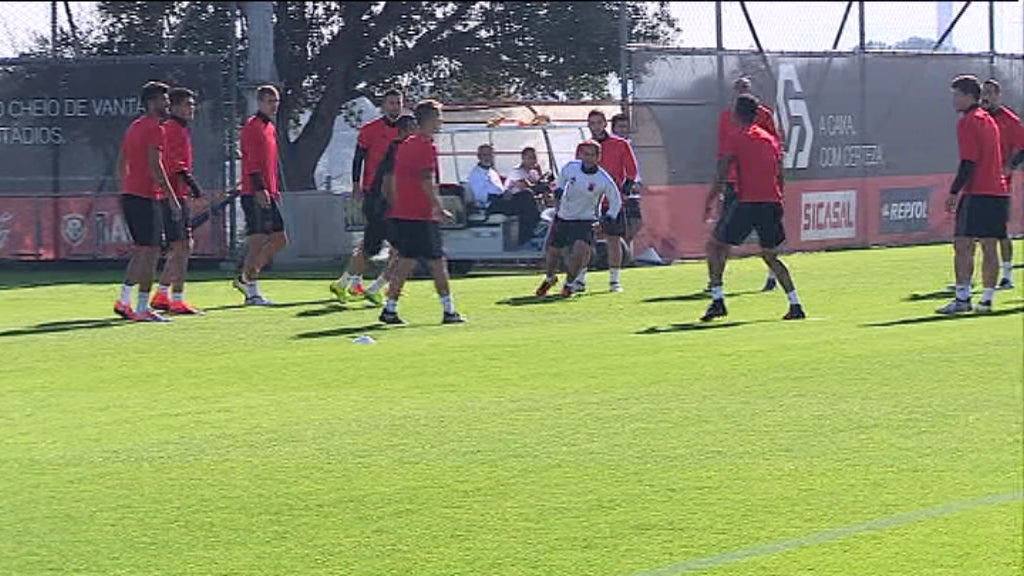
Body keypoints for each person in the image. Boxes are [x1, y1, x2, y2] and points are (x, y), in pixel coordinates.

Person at [701, 94, 805, 322]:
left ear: (736, 114)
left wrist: (710, 201)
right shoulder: (770, 139)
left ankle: (717, 299)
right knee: (770, 255)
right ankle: (795, 303)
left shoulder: (735, 137)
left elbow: (722, 172)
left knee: (715, 245)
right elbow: (780, 174)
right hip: (771, 202)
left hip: (748, 202)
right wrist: (779, 198)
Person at [379, 99, 466, 325]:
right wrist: (439, 208)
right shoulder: (427, 146)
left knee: (405, 262)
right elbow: (427, 180)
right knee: (437, 263)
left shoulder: (406, 144)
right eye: (439, 117)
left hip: (404, 213)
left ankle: (390, 309)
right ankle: (449, 311)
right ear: (429, 120)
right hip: (421, 215)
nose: (441, 122)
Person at [937, 75, 1009, 315]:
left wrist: (954, 191)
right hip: (998, 191)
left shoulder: (968, 122)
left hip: (978, 192)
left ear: (968, 96)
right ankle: (986, 300)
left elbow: (969, 161)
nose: (953, 100)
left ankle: (962, 298)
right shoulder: (989, 120)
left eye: (956, 95)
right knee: (990, 246)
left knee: (963, 244)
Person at [332, 113, 416, 307]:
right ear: (404, 130)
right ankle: (376, 288)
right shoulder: (399, 150)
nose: (416, 131)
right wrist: (396, 206)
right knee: (404, 250)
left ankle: (344, 283)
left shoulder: (399, 149)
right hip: (384, 207)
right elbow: (388, 182)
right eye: (413, 128)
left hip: (377, 205)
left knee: (369, 249)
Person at [113, 81, 178, 323]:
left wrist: (124, 187)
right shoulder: (154, 128)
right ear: (151, 102)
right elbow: (156, 166)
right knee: (150, 252)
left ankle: (124, 300)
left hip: (131, 194)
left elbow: (121, 161)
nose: (167, 103)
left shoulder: (134, 127)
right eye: (163, 99)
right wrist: (172, 198)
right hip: (145, 195)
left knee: (142, 251)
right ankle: (142, 307)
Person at [712, 76, 781, 293]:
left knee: (766, 240)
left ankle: (772, 275)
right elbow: (724, 151)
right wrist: (721, 184)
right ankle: (715, 284)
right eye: (738, 88)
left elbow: (775, 146)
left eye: (744, 88)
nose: (740, 91)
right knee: (721, 238)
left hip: (758, 186)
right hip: (734, 183)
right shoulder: (726, 117)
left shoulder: (763, 116)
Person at [535, 141, 622, 298]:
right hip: (564, 217)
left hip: (586, 220)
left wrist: (606, 219)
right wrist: (558, 192)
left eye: (592, 155)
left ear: (598, 157)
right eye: (585, 154)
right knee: (553, 254)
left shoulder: (603, 179)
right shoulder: (570, 167)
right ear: (580, 155)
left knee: (580, 251)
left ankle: (570, 284)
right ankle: (550, 278)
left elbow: (616, 201)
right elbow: (560, 181)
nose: (588, 158)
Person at [150, 87, 204, 315]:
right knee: (182, 246)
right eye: (186, 104)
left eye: (192, 104)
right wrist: (196, 190)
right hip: (171, 195)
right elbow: (176, 166)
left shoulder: (179, 129)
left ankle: (162, 294)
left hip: (174, 194)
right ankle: (177, 299)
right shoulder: (173, 129)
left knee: (183, 245)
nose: (191, 108)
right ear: (174, 107)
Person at [233, 85, 287, 306]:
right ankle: (252, 290)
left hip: (268, 192)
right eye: (270, 101)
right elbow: (252, 162)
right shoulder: (252, 127)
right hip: (254, 192)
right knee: (257, 241)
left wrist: (275, 189)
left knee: (279, 239)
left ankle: (245, 277)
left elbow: (270, 164)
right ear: (260, 102)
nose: (274, 105)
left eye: (276, 101)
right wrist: (259, 189)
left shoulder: (270, 128)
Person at [587, 109, 638, 293]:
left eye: (598, 122)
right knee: (585, 240)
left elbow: (631, 170)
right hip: (589, 201)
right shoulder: (584, 147)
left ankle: (614, 280)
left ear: (604, 124)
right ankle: (580, 278)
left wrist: (623, 191)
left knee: (613, 239)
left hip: (612, 201)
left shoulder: (620, 144)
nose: (595, 126)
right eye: (592, 123)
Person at [981, 78, 1024, 290]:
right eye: (983, 92)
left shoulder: (1009, 120)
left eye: (989, 92)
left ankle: (1007, 275)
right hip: (979, 182)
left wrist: (1011, 165)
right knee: (975, 233)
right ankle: (971, 278)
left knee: (1000, 231)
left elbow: (1023, 146)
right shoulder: (978, 117)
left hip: (1000, 184)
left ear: (998, 95)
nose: (985, 97)